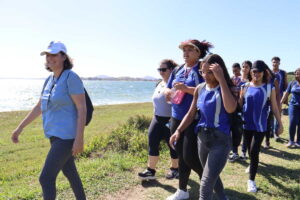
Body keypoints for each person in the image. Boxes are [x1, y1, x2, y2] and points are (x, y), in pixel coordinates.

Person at [11, 41, 86, 200]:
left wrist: (79, 138)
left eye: (54, 54)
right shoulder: (49, 79)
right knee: (69, 171)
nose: (50, 58)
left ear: (64, 57)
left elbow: (82, 108)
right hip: (54, 135)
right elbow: (40, 107)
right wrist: (20, 128)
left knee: (45, 178)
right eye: (47, 55)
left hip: (66, 137)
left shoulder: (71, 78)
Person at [170, 54, 236, 200]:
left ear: (219, 71)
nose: (205, 75)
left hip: (220, 141)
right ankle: (223, 198)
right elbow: (191, 113)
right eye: (202, 72)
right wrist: (178, 130)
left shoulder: (227, 88)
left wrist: (222, 81)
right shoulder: (200, 88)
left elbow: (231, 108)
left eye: (210, 72)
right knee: (211, 174)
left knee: (206, 183)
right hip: (202, 139)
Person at [165, 39, 213, 200]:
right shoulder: (178, 69)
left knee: (190, 156)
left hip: (194, 118)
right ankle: (182, 190)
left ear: (198, 53)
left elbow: (208, 91)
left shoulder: (202, 68)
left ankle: (209, 182)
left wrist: (186, 89)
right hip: (176, 116)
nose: (185, 53)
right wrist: (167, 92)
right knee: (180, 155)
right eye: (183, 51)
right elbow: (169, 86)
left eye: (189, 50)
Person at [240, 60, 283, 193]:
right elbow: (240, 105)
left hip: (260, 126)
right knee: (247, 149)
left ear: (264, 73)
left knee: (254, 151)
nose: (256, 74)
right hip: (246, 125)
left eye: (258, 71)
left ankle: (251, 181)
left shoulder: (270, 88)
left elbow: (275, 107)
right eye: (253, 71)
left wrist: (280, 124)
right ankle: (252, 164)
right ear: (250, 72)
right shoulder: (245, 86)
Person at [138, 59, 179, 180]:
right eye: (159, 69)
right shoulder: (160, 83)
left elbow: (178, 104)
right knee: (152, 142)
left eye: (163, 69)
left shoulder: (175, 84)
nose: (161, 72)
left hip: (170, 120)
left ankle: (175, 169)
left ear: (171, 70)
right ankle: (151, 171)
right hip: (157, 118)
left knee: (172, 145)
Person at [229, 61, 252, 162]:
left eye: (247, 67)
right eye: (243, 67)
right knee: (235, 130)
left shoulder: (251, 81)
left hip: (247, 109)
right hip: (236, 108)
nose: (244, 68)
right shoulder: (235, 79)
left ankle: (244, 152)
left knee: (245, 132)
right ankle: (235, 152)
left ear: (250, 68)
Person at [280, 68, 300, 147]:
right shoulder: (292, 83)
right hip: (293, 106)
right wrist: (280, 103)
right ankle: (291, 141)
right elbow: (286, 93)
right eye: (296, 73)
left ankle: (298, 141)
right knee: (292, 122)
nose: (296, 75)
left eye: (298, 73)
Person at [271, 56, 287, 141]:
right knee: (269, 115)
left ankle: (276, 133)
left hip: (279, 97)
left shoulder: (283, 73)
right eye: (273, 62)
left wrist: (285, 99)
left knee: (277, 115)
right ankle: (270, 132)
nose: (275, 63)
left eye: (276, 62)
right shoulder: (268, 72)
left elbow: (285, 85)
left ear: (279, 63)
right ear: (271, 63)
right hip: (269, 97)